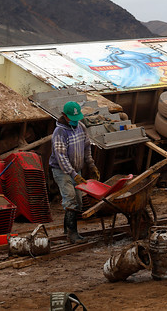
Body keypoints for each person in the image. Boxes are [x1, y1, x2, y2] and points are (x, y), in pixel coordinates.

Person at [49, 101, 100, 244]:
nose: (75, 122)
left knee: (78, 201)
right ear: (64, 116)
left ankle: (67, 230)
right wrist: (74, 175)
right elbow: (61, 157)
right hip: (61, 171)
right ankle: (72, 234)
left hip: (76, 169)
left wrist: (91, 165)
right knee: (70, 198)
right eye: (72, 118)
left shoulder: (81, 127)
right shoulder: (59, 132)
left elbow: (87, 147)